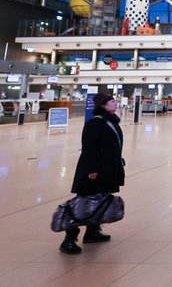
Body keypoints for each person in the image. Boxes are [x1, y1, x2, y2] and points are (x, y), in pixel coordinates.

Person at [60, 93, 125, 255]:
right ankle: (69, 239)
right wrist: (91, 170)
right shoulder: (95, 123)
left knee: (100, 200)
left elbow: (112, 144)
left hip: (106, 168)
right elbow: (88, 148)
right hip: (94, 170)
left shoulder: (109, 121)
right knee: (83, 204)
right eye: (111, 102)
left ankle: (92, 231)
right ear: (103, 105)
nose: (115, 104)